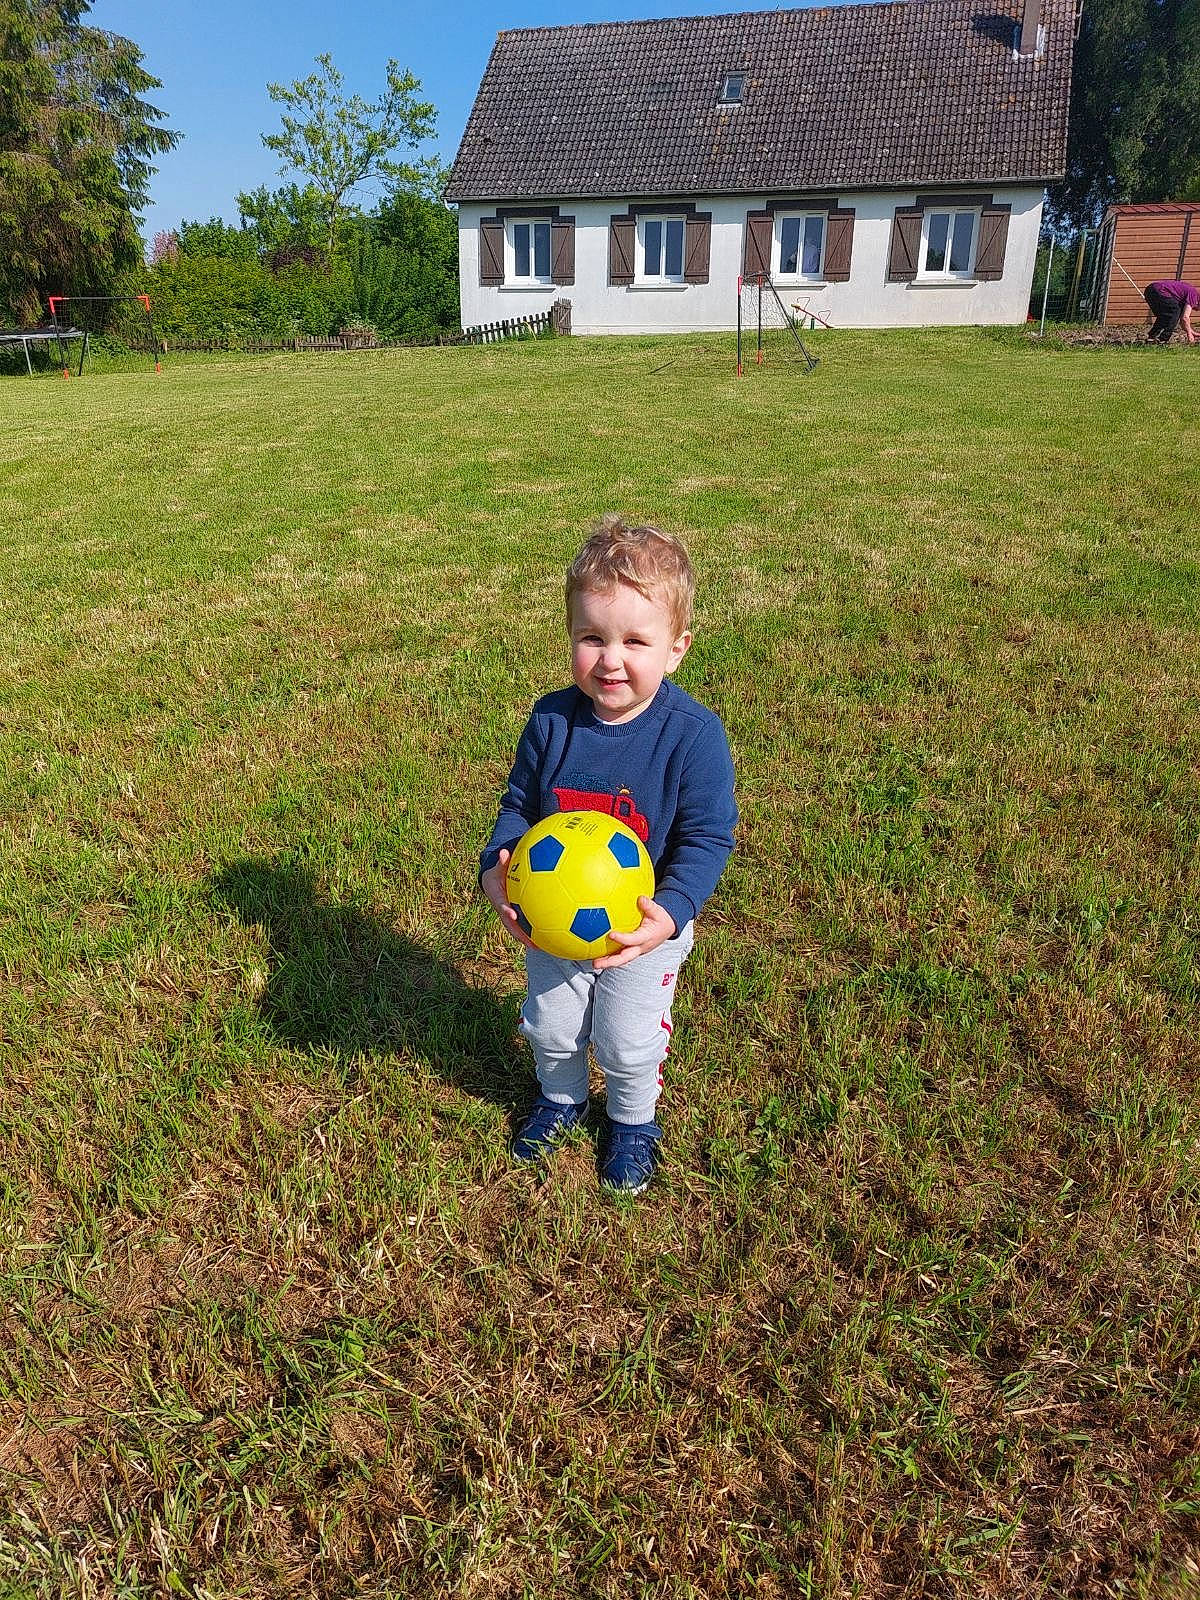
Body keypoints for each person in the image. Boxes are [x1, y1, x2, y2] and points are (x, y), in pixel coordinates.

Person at [480, 517, 737, 1195]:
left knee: (626, 1041)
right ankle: (561, 1099)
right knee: (551, 1024)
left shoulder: (693, 737)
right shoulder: (551, 721)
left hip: (643, 928)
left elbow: (709, 838)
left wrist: (671, 914)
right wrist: (497, 866)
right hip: (552, 922)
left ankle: (631, 1120)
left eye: (635, 641)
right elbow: (517, 806)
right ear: (571, 637)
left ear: (677, 649)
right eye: (591, 638)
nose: (610, 659)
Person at [1143, 279, 1199, 345]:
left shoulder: (1183, 298)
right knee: (1175, 312)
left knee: (1165, 316)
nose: (1196, 310)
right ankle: (1163, 340)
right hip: (1159, 290)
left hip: (1149, 290)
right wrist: (1189, 335)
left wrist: (1191, 332)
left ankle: (1151, 337)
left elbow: (1182, 321)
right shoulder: (1194, 296)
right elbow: (1185, 318)